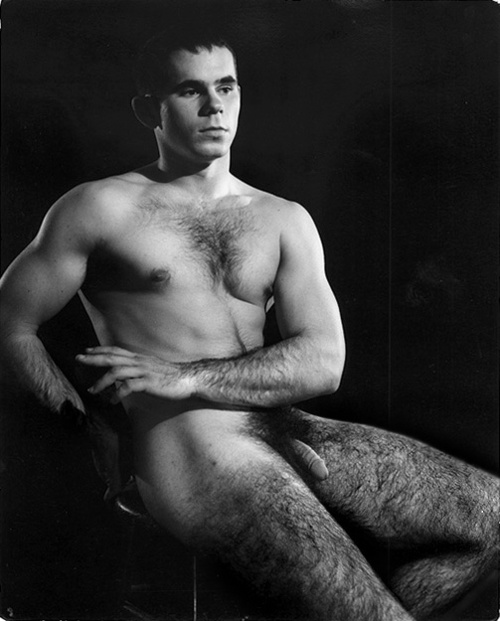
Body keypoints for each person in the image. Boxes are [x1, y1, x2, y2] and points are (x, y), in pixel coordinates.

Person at [0, 30, 497, 621]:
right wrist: (85, 427)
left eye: (226, 87)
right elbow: (9, 324)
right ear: (148, 109)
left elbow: (323, 362)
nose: (214, 106)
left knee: (491, 519)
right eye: (190, 90)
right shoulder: (100, 208)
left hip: (282, 424)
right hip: (191, 448)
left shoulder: (283, 218)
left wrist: (185, 375)